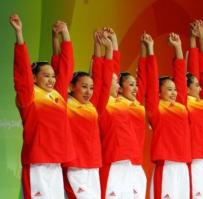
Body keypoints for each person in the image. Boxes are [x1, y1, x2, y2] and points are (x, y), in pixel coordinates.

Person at [10, 14, 75, 198]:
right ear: (34, 77)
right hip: (36, 163)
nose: (52, 79)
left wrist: (65, 35)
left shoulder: (58, 94)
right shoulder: (28, 96)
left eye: (53, 76)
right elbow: (22, 71)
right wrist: (19, 34)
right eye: (46, 75)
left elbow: (66, 66)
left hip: (55, 163)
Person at [92, 28, 144, 198]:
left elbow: (112, 69)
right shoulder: (100, 102)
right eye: (113, 81)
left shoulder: (122, 102)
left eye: (116, 81)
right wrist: (101, 48)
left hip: (128, 161)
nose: (115, 83)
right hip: (112, 162)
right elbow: (102, 75)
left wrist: (114, 42)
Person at [52, 29, 103, 198]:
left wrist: (98, 46)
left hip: (93, 165)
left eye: (91, 88)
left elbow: (99, 75)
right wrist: (59, 38)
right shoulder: (63, 103)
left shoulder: (92, 106)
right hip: (74, 165)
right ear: (71, 86)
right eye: (83, 87)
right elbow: (61, 69)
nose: (89, 91)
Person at [145, 32, 191, 199]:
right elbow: (151, 83)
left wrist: (178, 47)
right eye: (169, 89)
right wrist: (150, 50)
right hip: (166, 166)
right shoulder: (155, 108)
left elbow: (180, 77)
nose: (173, 92)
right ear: (159, 91)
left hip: (183, 165)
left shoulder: (181, 105)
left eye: (174, 89)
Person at [186, 19, 203, 199]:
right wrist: (192, 41)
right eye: (196, 85)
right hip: (191, 162)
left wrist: (201, 38)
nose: (201, 87)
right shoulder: (183, 102)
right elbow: (193, 70)